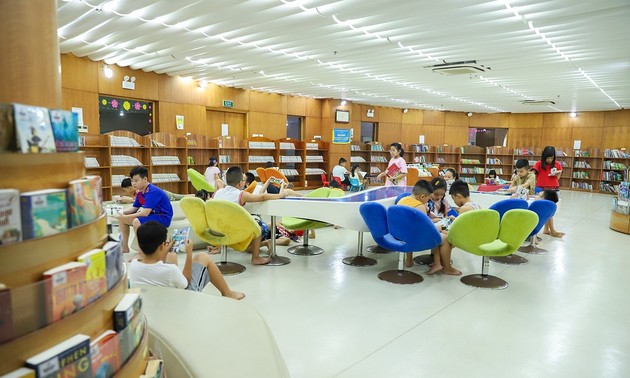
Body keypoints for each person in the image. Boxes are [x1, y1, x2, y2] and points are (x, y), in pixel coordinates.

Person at [127, 221, 245, 300]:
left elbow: (156, 265)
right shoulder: (170, 270)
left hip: (160, 297)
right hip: (184, 298)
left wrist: (166, 250)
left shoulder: (134, 266)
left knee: (172, 256)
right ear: (161, 246)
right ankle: (227, 293)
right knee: (203, 257)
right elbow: (186, 283)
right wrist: (189, 254)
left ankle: (227, 292)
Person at [213, 166, 290, 265]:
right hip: (235, 230)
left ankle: (222, 248)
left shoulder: (217, 193)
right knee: (257, 227)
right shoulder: (241, 194)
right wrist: (280, 195)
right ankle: (256, 258)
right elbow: (262, 196)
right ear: (241, 182)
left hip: (218, 229)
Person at [398, 180, 460, 275]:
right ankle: (446, 267)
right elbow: (426, 229)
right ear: (422, 196)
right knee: (445, 237)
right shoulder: (420, 206)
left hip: (400, 235)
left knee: (438, 231)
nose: (428, 201)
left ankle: (409, 260)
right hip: (414, 238)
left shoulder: (402, 200)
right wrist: (441, 228)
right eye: (428, 199)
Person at [116, 166, 173, 254]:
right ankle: (124, 248)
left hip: (163, 217)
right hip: (153, 215)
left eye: (136, 181)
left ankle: (142, 252)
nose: (133, 183)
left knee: (136, 221)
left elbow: (145, 213)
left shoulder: (152, 191)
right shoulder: (140, 192)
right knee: (122, 219)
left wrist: (125, 216)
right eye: (132, 180)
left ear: (145, 179)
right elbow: (134, 208)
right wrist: (119, 212)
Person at [532, 146, 564, 238]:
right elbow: (533, 174)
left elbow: (557, 178)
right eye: (548, 158)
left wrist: (558, 173)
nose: (550, 160)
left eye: (552, 158)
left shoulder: (557, 164)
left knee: (551, 210)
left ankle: (547, 229)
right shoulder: (538, 164)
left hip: (554, 189)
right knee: (545, 210)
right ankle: (552, 230)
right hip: (542, 189)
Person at [115, 177, 191, 203]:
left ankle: (196, 197)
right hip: (161, 194)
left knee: (182, 198)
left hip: (163, 195)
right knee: (182, 197)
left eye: (126, 189)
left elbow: (144, 202)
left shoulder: (138, 190)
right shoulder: (136, 191)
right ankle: (195, 196)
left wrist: (128, 200)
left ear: (130, 188)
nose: (126, 191)